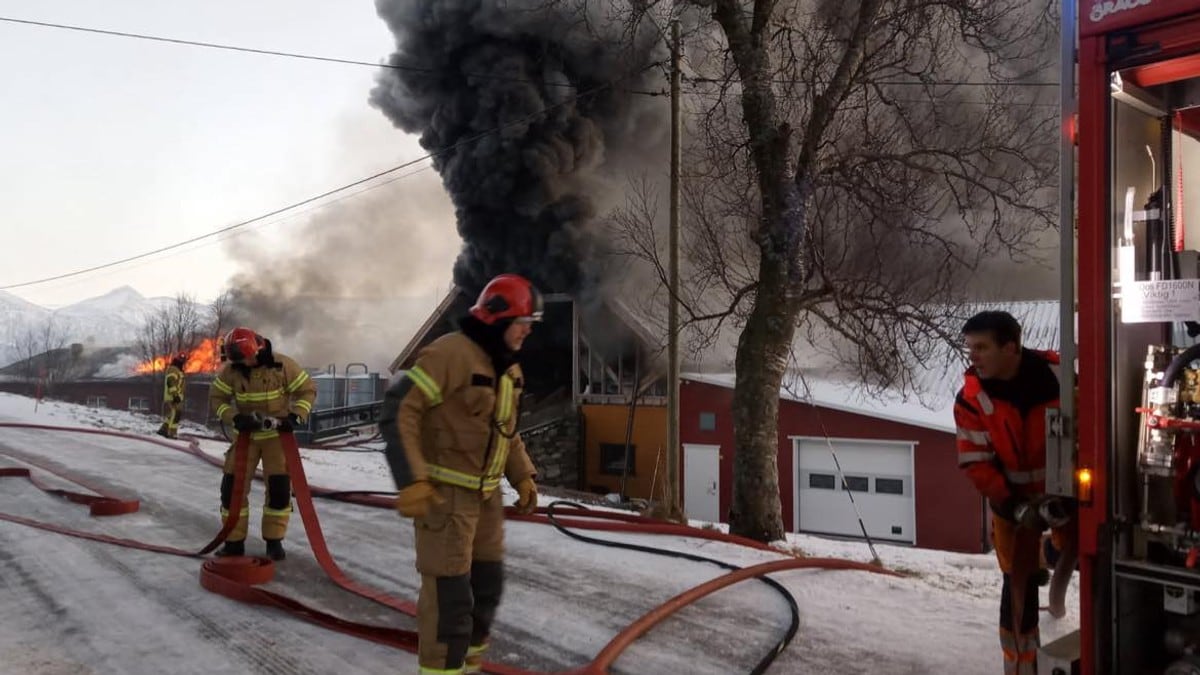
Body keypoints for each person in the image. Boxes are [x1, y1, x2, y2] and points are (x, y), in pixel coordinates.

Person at [380, 273, 541, 675]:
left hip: (486, 501)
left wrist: (522, 476)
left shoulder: (509, 370)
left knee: (486, 592)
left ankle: (465, 669)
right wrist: (411, 480)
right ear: (499, 319)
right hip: (445, 501)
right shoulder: (451, 354)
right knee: (449, 605)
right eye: (523, 322)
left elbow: (507, 430)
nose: (527, 331)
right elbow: (401, 409)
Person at [954, 311, 1075, 675]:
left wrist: (1071, 493)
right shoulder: (972, 400)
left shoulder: (1062, 380)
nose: (972, 357)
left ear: (1011, 347)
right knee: (1018, 584)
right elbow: (976, 464)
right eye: (970, 348)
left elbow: (1091, 434)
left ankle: (1053, 556)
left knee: (1087, 557)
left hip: (1069, 498)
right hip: (1012, 506)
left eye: (981, 348)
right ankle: (1021, 667)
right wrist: (1015, 506)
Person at [208, 327, 316, 561]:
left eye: (246, 359)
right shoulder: (232, 370)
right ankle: (234, 542)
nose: (244, 365)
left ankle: (274, 542)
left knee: (279, 491)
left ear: (256, 350)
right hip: (245, 437)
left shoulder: (282, 365)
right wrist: (235, 418)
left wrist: (295, 416)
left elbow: (307, 391)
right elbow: (217, 398)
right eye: (239, 362)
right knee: (231, 489)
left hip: (276, 439)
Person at [156, 352, 188, 439]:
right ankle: (171, 433)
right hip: (173, 396)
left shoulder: (177, 370)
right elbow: (170, 382)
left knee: (172, 413)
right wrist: (175, 395)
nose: (182, 363)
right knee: (176, 413)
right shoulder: (173, 369)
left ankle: (163, 430)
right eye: (181, 361)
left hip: (176, 396)